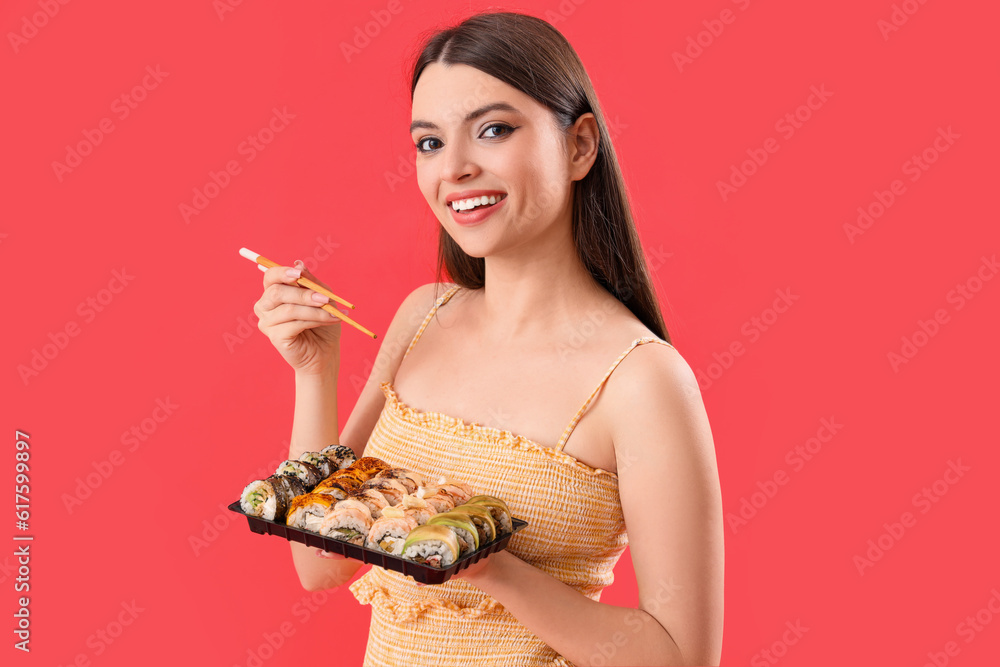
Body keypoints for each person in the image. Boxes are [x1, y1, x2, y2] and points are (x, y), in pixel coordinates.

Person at [252, 11, 723, 666]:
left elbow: (682, 656)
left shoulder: (641, 378)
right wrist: (315, 369)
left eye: (493, 130)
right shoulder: (422, 316)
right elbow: (319, 564)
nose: (456, 169)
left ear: (581, 146)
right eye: (429, 143)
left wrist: (491, 568)